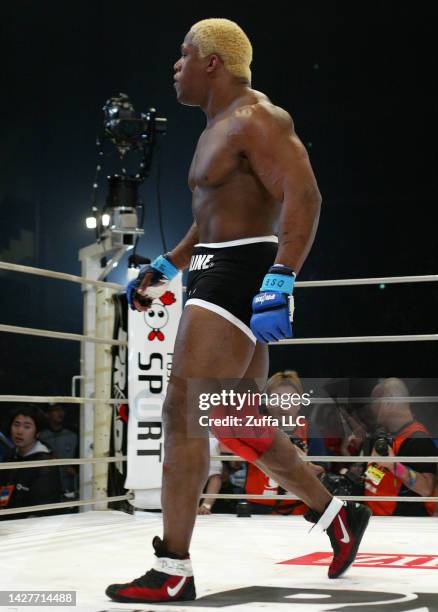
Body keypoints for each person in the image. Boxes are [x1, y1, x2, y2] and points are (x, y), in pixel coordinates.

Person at [106, 18, 371, 604]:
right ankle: (337, 515)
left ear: (212, 63)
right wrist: (171, 265)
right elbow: (211, 214)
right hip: (211, 267)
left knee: (182, 408)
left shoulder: (259, 118)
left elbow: (305, 194)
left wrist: (281, 278)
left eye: (183, 55)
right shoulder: (214, 130)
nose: (174, 66)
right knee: (239, 424)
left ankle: (173, 567)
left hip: (239, 271)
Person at [245, 371, 324, 515]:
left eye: (289, 399)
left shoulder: (310, 429)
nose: (283, 405)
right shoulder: (253, 426)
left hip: (298, 512)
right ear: (268, 402)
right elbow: (226, 450)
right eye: (277, 398)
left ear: (299, 403)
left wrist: (304, 461)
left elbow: (323, 471)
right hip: (256, 510)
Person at [364, 377, 437, 516]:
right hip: (378, 520)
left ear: (388, 402)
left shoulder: (419, 439)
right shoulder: (387, 435)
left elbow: (427, 489)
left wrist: (394, 465)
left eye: (375, 401)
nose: (372, 408)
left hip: (403, 527)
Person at [0, 406, 63, 518]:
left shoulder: (45, 464)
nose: (19, 431)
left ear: (37, 433)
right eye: (16, 425)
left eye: (27, 427)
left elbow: (43, 511)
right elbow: (5, 489)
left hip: (30, 527)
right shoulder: (11, 455)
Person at [39, 403, 78, 498]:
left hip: (69, 488)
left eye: (62, 410)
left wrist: (76, 472)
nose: (60, 413)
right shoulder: (41, 436)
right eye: (56, 410)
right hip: (47, 487)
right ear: (47, 414)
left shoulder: (73, 436)